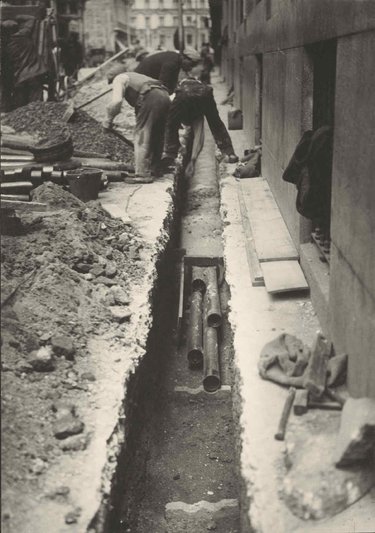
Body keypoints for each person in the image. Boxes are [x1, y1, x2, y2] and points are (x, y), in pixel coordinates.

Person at [162, 58, 238, 174]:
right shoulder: (198, 84)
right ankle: (229, 152)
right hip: (205, 94)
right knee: (215, 123)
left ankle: (170, 154)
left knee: (171, 124)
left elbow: (172, 123)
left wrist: (178, 146)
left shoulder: (179, 84)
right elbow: (199, 135)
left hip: (183, 96)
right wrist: (193, 157)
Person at [103, 71, 171, 183]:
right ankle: (155, 169)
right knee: (157, 134)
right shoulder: (135, 76)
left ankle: (142, 174)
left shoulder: (119, 78)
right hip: (165, 95)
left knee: (142, 134)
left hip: (151, 97)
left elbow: (117, 101)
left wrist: (108, 120)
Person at [5, 14, 48, 108]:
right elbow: (31, 18)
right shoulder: (24, 35)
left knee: (21, 109)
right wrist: (16, 16)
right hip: (35, 73)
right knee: (37, 106)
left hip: (20, 78)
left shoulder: (6, 47)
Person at [134, 47, 201, 95]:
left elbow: (172, 83)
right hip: (138, 80)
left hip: (143, 79)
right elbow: (162, 84)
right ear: (185, 58)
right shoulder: (172, 62)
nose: (190, 68)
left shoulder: (176, 60)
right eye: (191, 65)